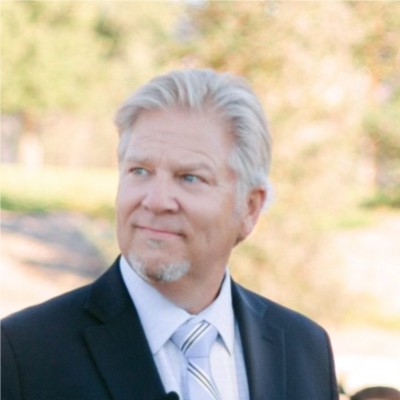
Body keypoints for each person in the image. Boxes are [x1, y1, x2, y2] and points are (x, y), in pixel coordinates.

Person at [1, 69, 338, 399]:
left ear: (249, 207)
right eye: (140, 171)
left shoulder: (305, 350)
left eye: (189, 177)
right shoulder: (24, 354)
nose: (156, 200)